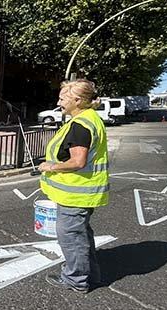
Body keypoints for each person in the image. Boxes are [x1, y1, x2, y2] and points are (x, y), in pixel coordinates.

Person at [38, 79, 109, 293]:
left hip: (75, 195)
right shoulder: (88, 118)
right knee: (82, 236)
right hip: (82, 193)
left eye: (62, 98)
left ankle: (75, 280)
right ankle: (92, 276)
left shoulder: (80, 124)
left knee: (72, 239)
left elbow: (78, 162)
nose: (58, 102)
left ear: (77, 100)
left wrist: (50, 166)